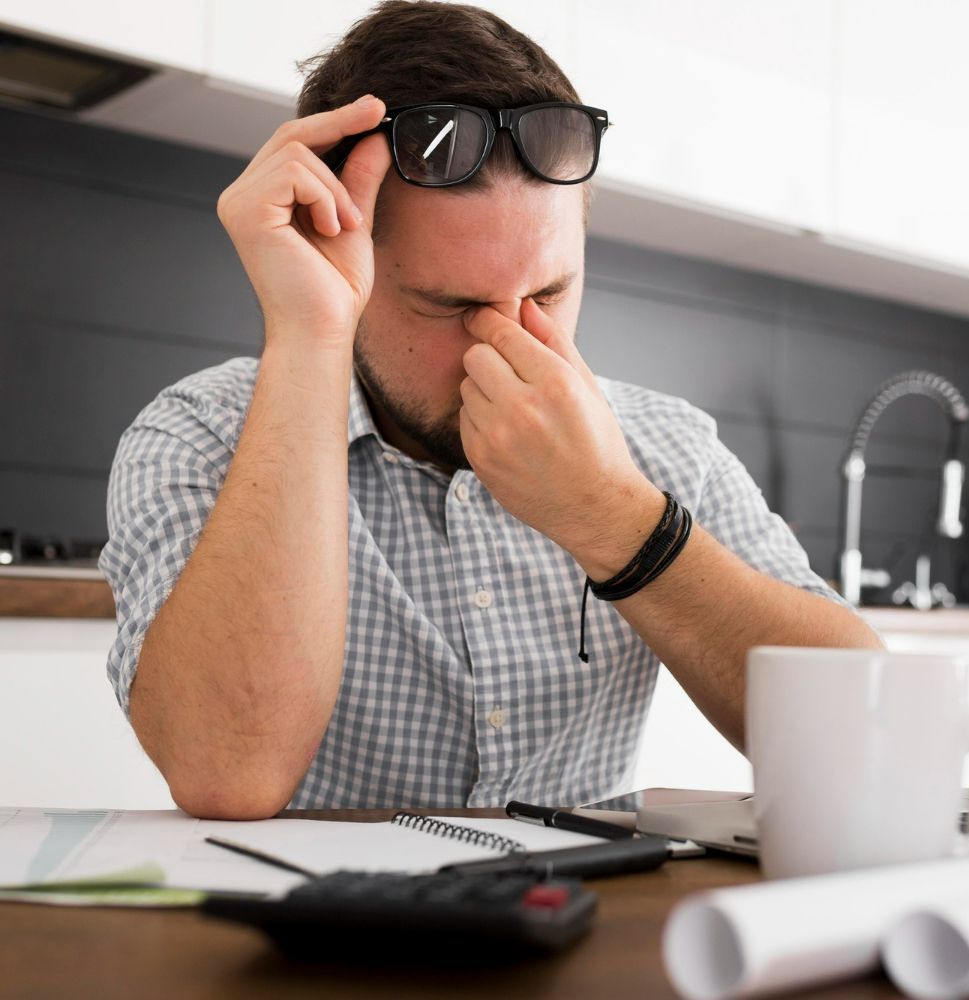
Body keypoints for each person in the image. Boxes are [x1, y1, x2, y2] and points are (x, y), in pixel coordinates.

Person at [99, 0, 881, 820]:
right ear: (336, 255)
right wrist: (306, 335)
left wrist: (613, 518)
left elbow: (867, 736)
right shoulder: (201, 434)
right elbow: (227, 774)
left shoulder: (664, 445)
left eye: (549, 291)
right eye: (449, 304)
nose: (510, 342)